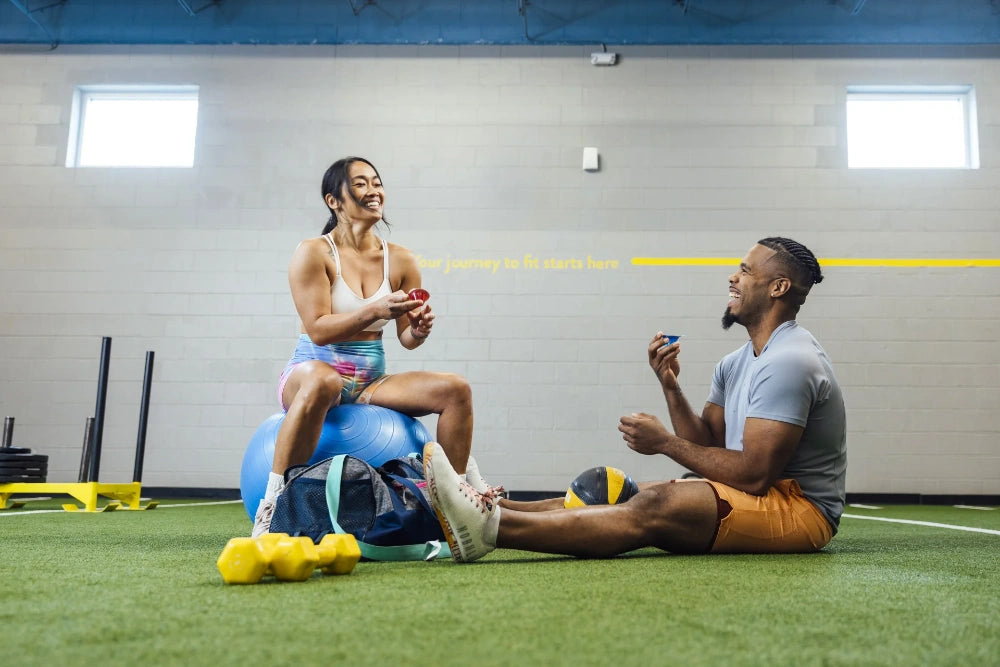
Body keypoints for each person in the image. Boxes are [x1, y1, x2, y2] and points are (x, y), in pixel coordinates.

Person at [423, 237, 847, 562]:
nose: (733, 278)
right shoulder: (736, 362)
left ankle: (489, 529)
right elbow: (708, 446)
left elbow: (754, 475)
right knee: (617, 491)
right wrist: (670, 386)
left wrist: (664, 442)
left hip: (799, 510)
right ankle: (493, 505)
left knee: (656, 503)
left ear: (778, 287)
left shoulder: (790, 361)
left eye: (745, 271)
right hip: (757, 491)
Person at [252, 156, 500, 537]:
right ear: (333, 200)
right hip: (311, 375)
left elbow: (405, 338)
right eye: (362, 184)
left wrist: (417, 331)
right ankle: (272, 507)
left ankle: (456, 501)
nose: (374, 191)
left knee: (455, 389)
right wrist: (375, 309)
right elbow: (318, 329)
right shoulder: (314, 252)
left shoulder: (400, 258)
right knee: (326, 383)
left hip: (370, 381)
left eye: (377, 182)